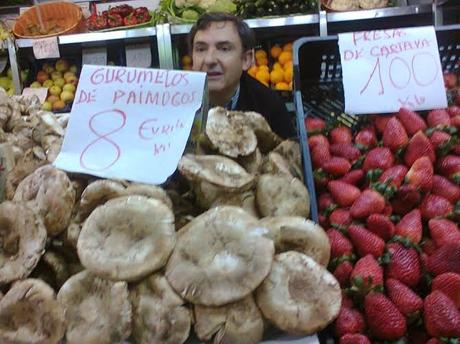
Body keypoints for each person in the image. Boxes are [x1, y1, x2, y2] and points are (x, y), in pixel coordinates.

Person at [188, 12, 295, 138]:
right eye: (201, 49)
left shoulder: (268, 106)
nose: (209, 60)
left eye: (224, 49)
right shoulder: (174, 104)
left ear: (246, 59)